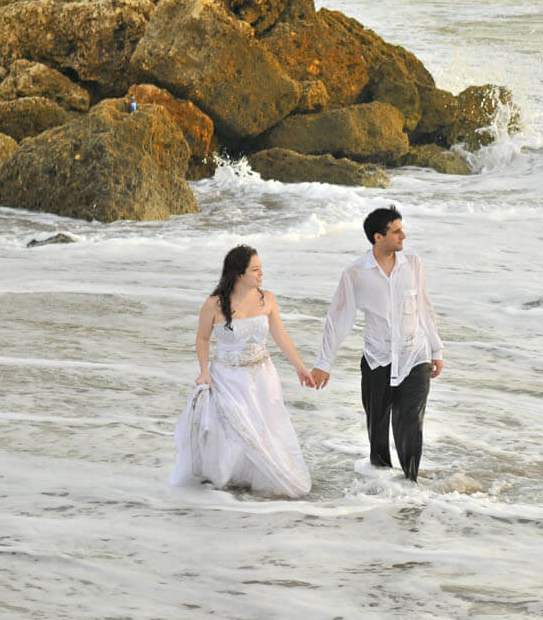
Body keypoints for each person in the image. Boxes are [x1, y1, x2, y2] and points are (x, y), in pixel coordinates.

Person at [310, 206, 444, 482]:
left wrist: (436, 349)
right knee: (378, 427)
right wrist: (324, 364)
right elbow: (338, 319)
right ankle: (381, 489)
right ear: (377, 237)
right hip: (377, 358)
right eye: (396, 231)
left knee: (410, 422)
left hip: (414, 354)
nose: (403, 236)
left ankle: (411, 484)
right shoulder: (356, 273)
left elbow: (424, 308)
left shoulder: (414, 264)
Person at [171, 245, 314, 498]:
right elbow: (203, 338)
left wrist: (300, 367)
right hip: (229, 377)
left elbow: (280, 336)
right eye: (255, 270)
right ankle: (229, 483)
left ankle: (263, 479)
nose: (261, 274)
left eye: (261, 269)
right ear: (239, 274)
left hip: (263, 376)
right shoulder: (214, 305)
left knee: (268, 427)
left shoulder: (267, 299)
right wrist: (204, 371)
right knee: (236, 432)